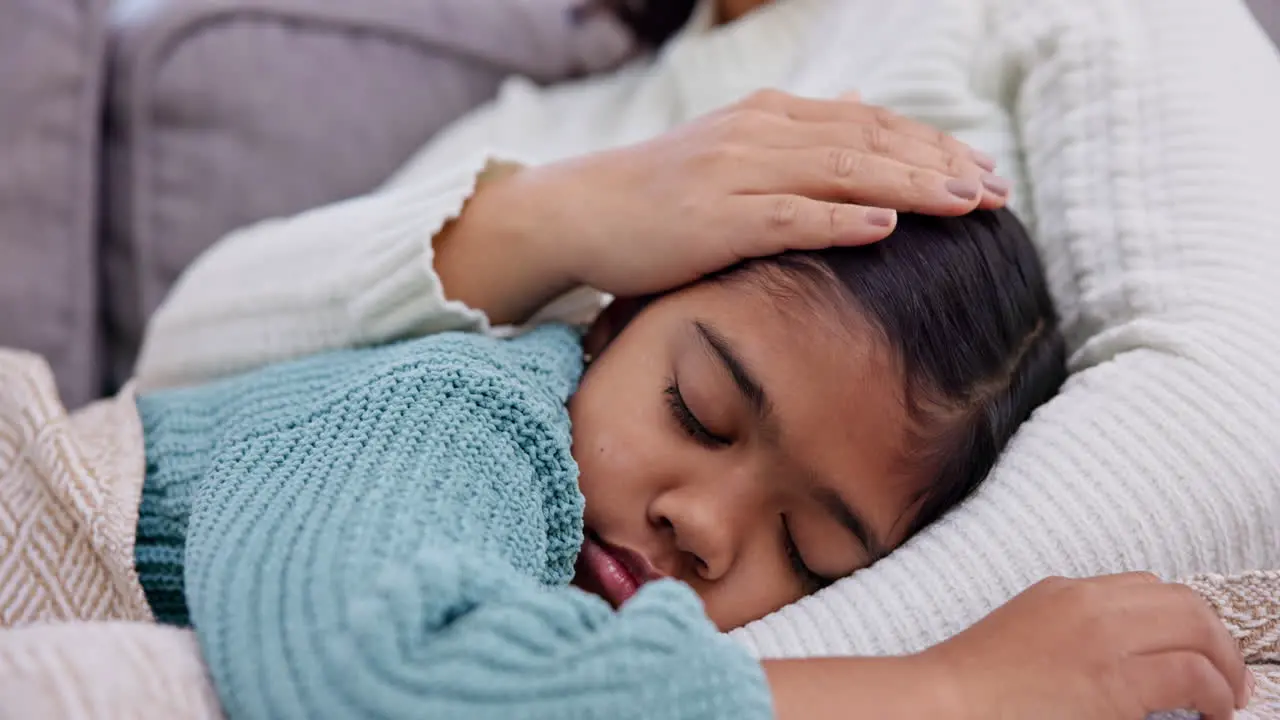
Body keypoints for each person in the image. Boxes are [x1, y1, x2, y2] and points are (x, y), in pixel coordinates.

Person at [114, 0, 1252, 718]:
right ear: (606, 319)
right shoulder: (458, 411)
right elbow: (176, 375)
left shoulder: (1054, 15)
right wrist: (938, 688)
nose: (704, 528)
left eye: (806, 552)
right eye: (696, 413)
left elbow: (1234, 428)